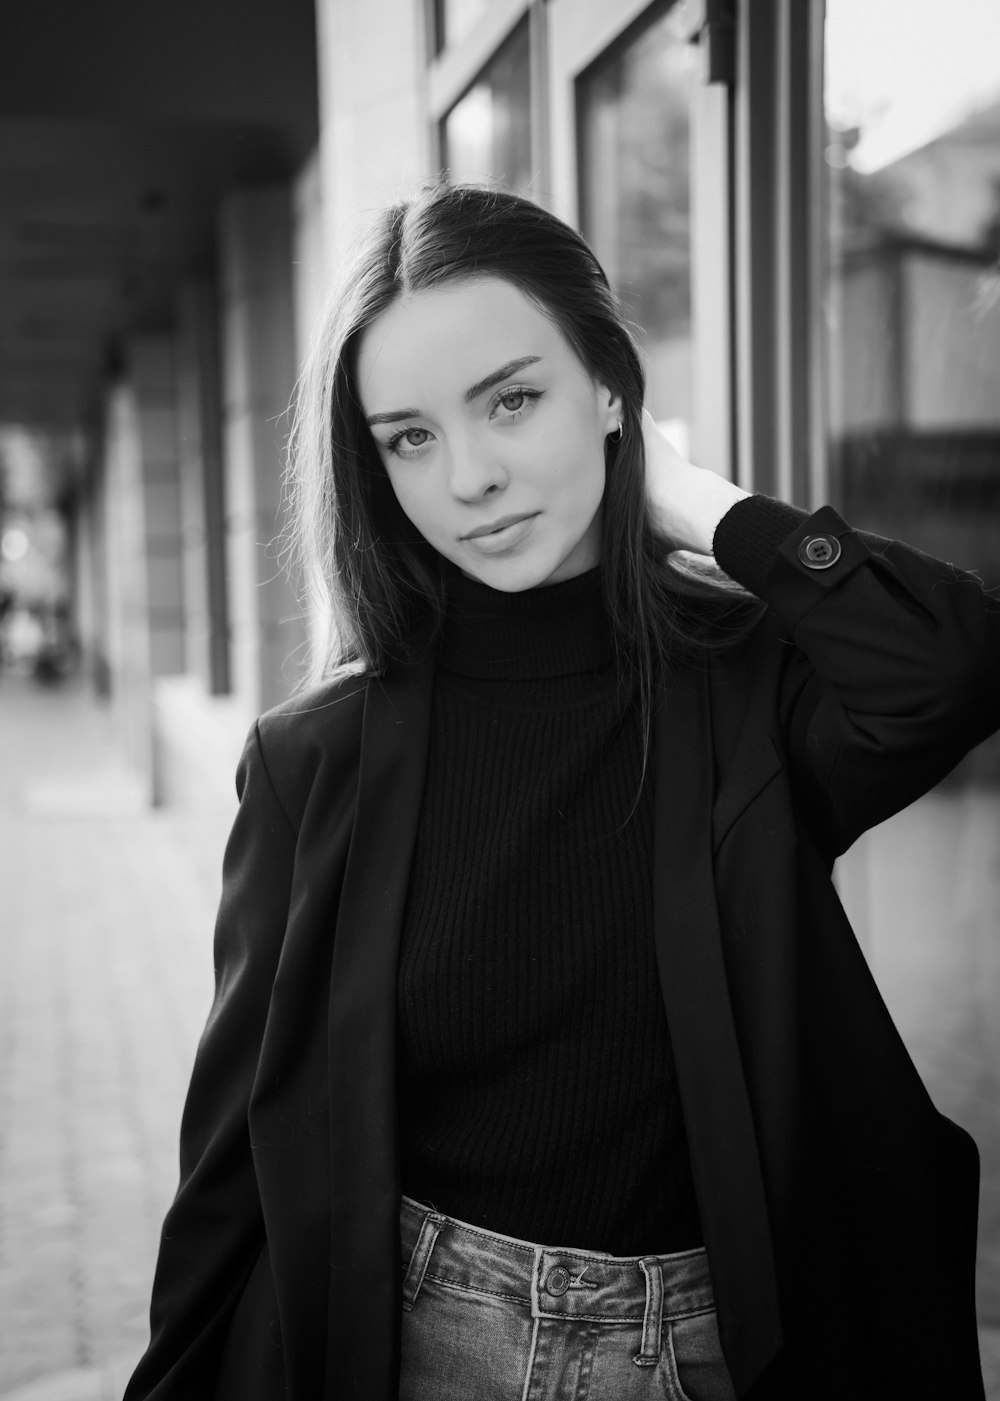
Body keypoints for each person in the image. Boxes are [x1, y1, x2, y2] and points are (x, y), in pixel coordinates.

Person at [124, 182, 1000, 1401]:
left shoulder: (748, 689)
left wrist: (703, 504)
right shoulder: (312, 759)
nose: (470, 477)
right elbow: (231, 1159)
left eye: (513, 400)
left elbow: (949, 666)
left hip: (729, 1341)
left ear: (608, 389)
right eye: (409, 437)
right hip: (430, 1335)